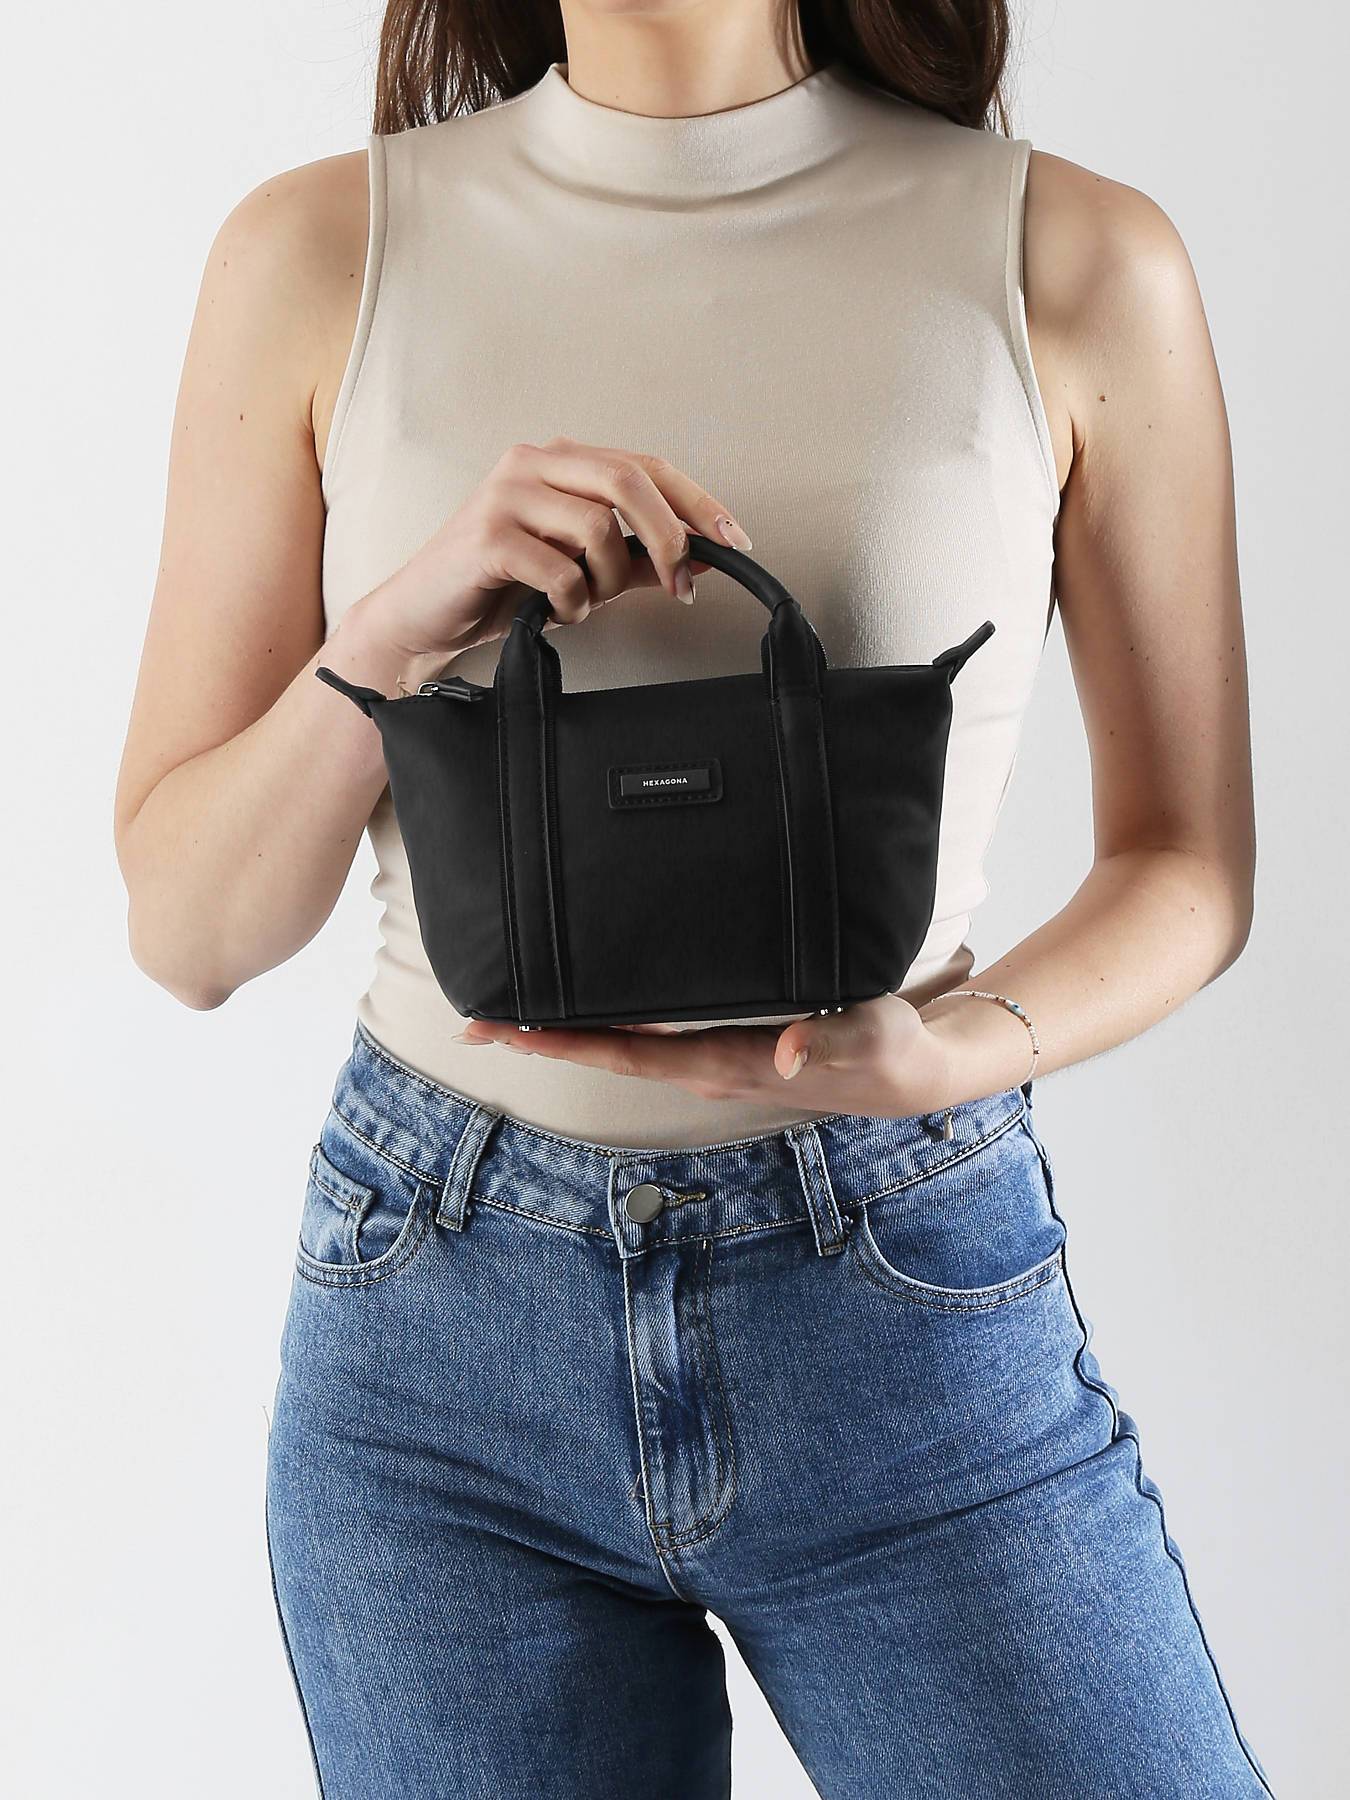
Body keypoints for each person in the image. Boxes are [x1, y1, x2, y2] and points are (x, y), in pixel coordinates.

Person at [113, 3, 1276, 1795]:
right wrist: (396, 630)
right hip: (435, 1347)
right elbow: (191, 935)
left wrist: (952, 1054)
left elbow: (1184, 863)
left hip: (894, 1301)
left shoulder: (1072, 257)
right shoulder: (315, 253)